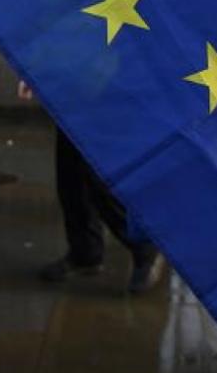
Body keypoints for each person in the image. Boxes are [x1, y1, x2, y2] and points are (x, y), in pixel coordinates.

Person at [20, 82, 165, 294]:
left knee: (95, 172)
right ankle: (85, 251)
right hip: (76, 79)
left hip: (107, 77)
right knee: (71, 172)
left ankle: (146, 245)